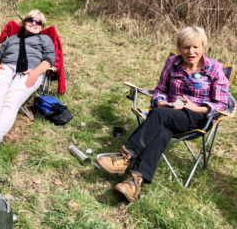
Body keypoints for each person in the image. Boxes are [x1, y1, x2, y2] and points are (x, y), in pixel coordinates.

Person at [95, 26, 229, 202]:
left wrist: (194, 108)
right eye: (186, 47)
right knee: (162, 131)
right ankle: (134, 182)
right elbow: (160, 90)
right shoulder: (172, 63)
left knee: (159, 115)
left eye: (196, 47)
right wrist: (160, 101)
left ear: (203, 46)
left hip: (198, 117)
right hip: (170, 111)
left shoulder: (214, 68)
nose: (191, 51)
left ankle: (126, 155)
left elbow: (221, 104)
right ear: (180, 47)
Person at [0, 10, 56, 157]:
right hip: (6, 67)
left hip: (30, 71)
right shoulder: (12, 38)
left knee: (11, 100)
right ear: (24, 22)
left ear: (42, 27)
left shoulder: (44, 39)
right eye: (31, 19)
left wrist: (36, 72)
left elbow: (50, 58)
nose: (34, 23)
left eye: (38, 22)